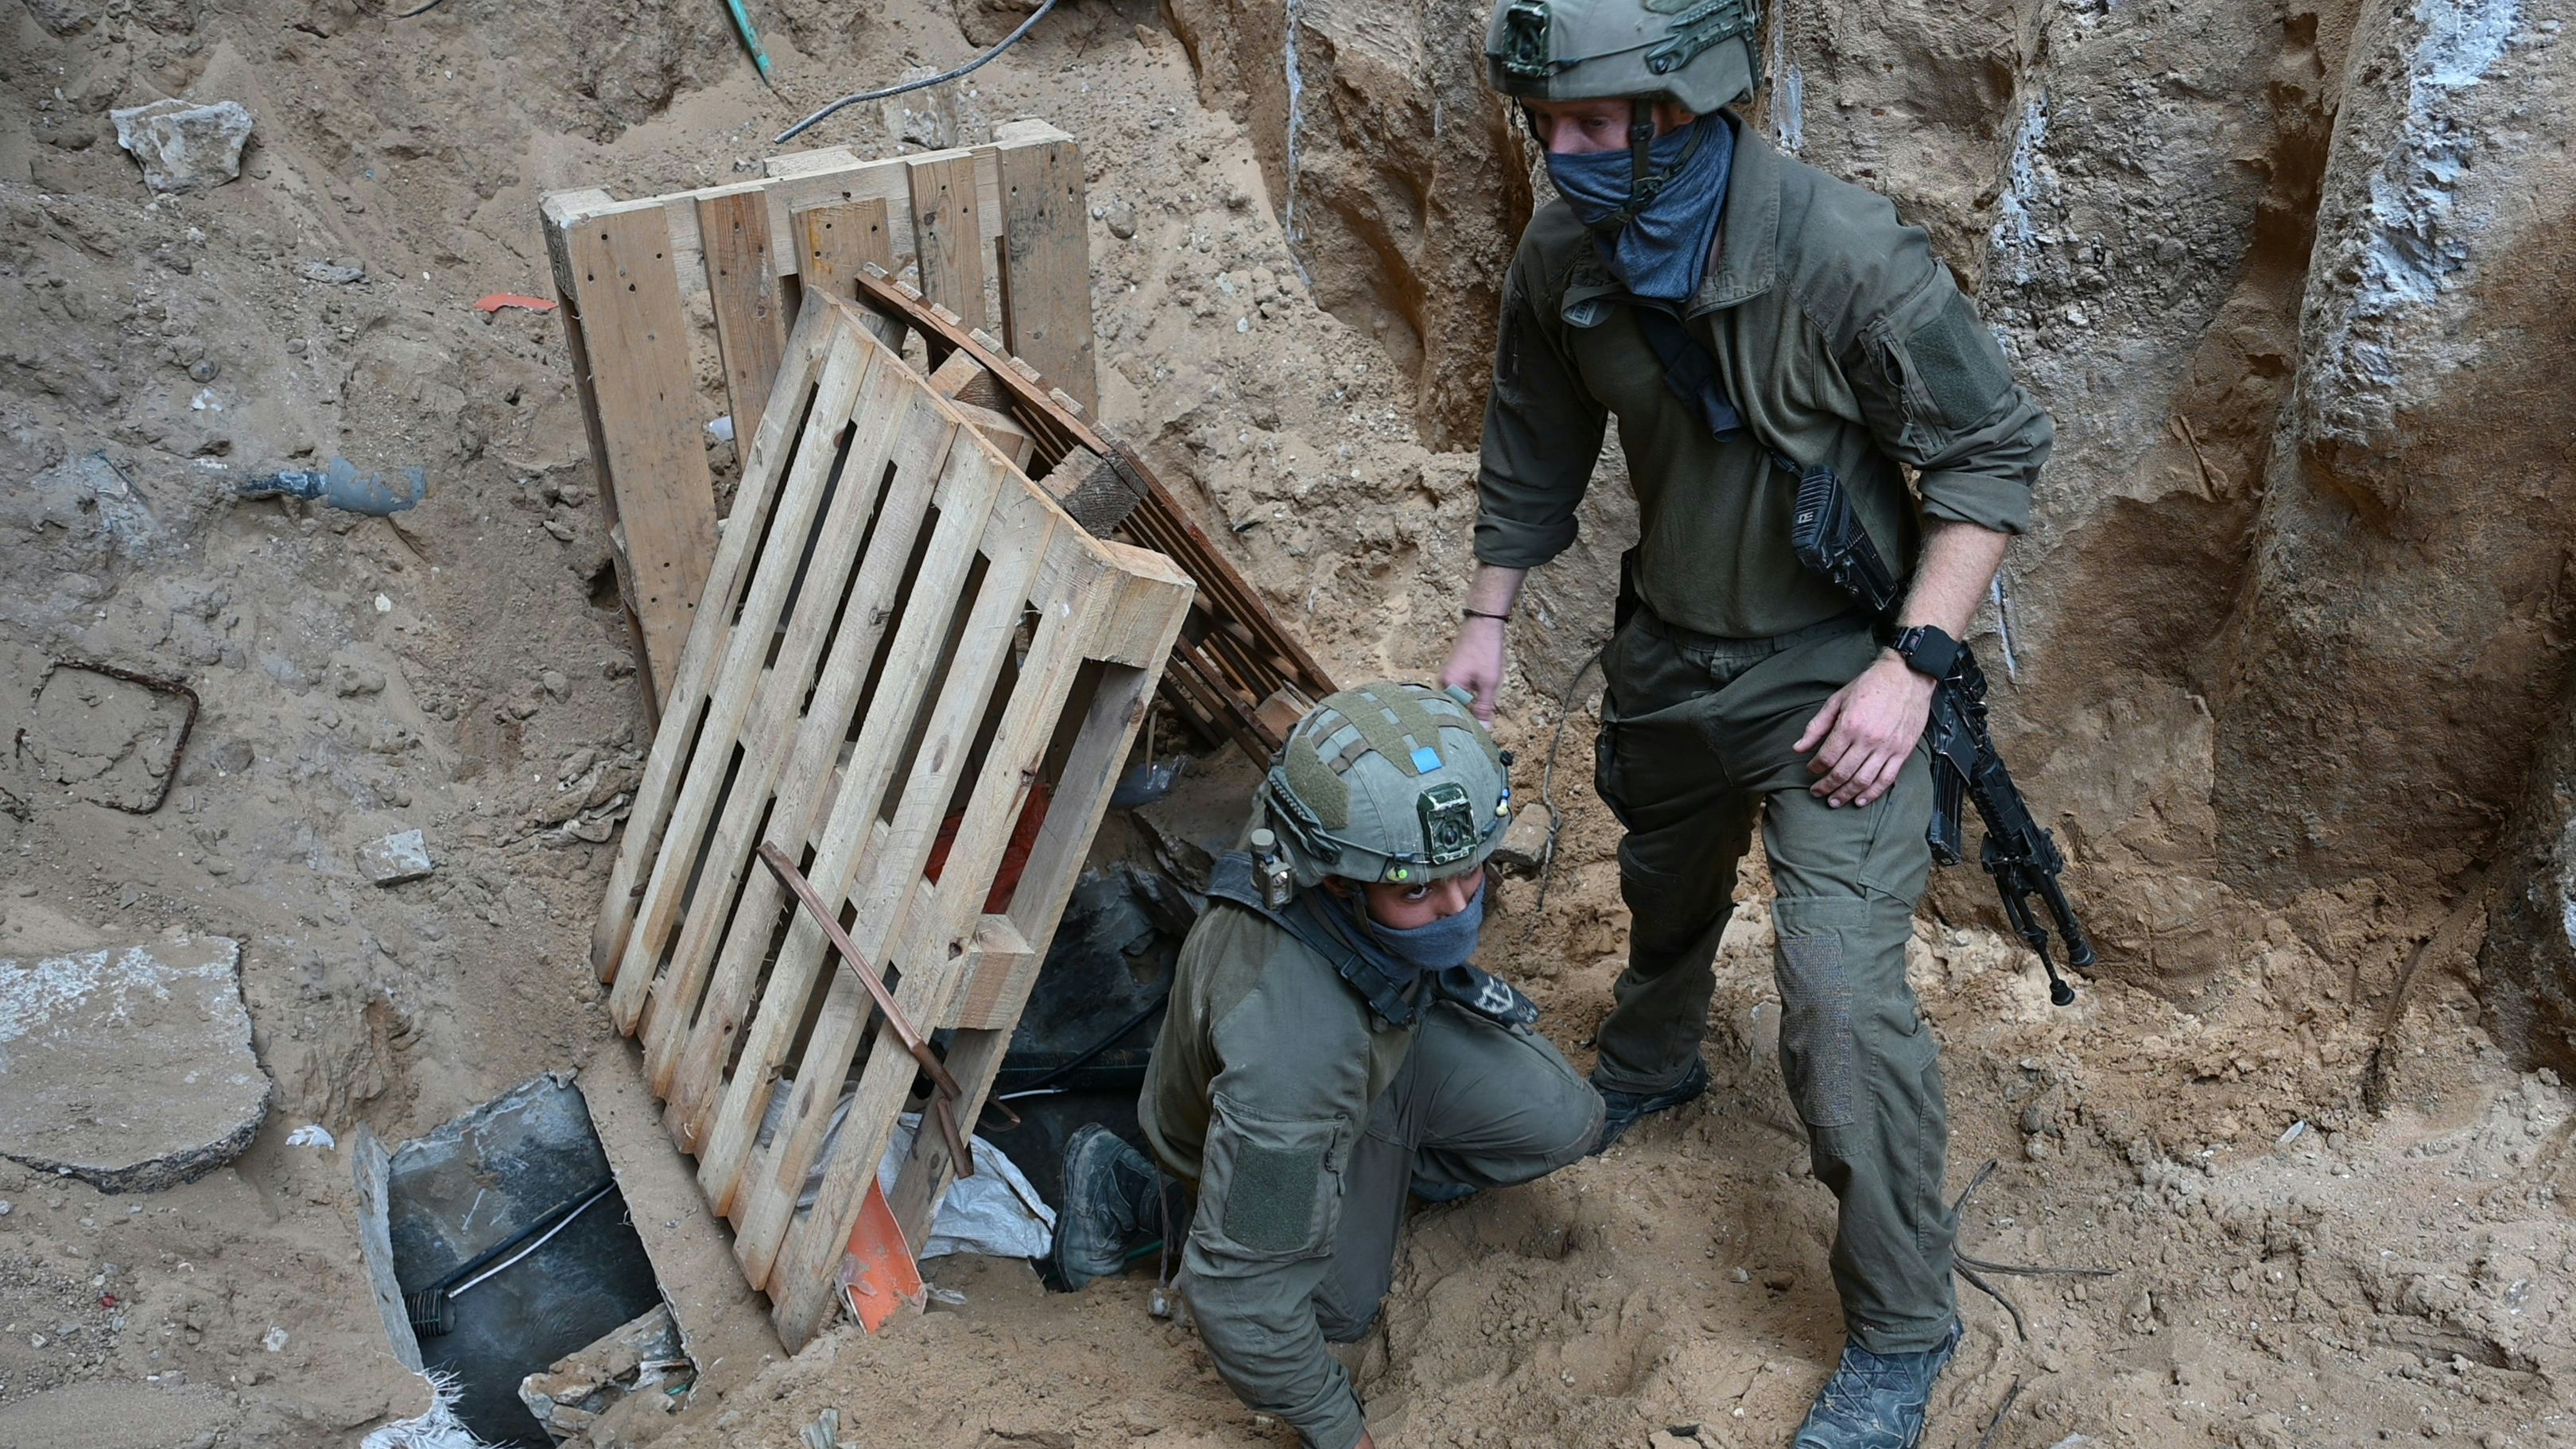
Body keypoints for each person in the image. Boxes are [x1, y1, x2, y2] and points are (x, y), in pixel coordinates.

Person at [1439, 4, 2057, 1446]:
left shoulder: (1844, 251)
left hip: (1838, 677)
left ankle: (1903, 1326)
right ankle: (1654, 1064)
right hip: (1669, 654)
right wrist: (1485, 621)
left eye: (1593, 125)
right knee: (1665, 883)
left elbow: (1993, 449)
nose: (1564, 156)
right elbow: (1533, 435)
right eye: (1548, 126)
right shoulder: (1565, 252)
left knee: (1839, 1000)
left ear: (1683, 108)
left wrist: (1912, 666)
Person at [1053, 681, 1604, 1449]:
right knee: (1337, 1309)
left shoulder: (1336, 806)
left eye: (1471, 869)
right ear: (1336, 880)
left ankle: (1365, 1173)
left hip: (1379, 1029)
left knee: (1563, 1120)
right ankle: (1132, 1193)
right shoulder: (1293, 1063)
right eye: (1415, 889)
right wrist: (1340, 1431)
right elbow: (1241, 1305)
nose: (1456, 906)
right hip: (1297, 1088)